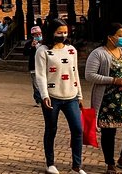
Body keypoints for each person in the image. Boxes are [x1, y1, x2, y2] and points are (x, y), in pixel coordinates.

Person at [34, 19, 84, 174]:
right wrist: (44, 95)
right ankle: (50, 163)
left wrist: (80, 95)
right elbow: (40, 75)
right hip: (52, 97)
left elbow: (75, 73)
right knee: (51, 129)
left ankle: (77, 165)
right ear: (51, 32)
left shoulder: (71, 50)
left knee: (77, 129)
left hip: (71, 95)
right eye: (59, 32)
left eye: (65, 32)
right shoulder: (42, 50)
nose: (63, 35)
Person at [85, 23, 122, 173]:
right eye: (120, 35)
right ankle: (110, 163)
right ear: (110, 37)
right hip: (107, 100)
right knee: (109, 133)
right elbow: (89, 75)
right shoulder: (98, 54)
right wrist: (113, 80)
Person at [27, 26, 44, 106]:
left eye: (38, 34)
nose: (37, 36)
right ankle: (38, 100)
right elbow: (25, 53)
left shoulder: (45, 43)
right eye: (35, 35)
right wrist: (31, 47)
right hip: (33, 66)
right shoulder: (29, 43)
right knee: (36, 84)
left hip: (43, 66)